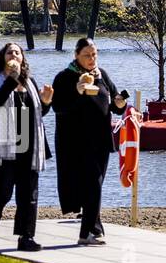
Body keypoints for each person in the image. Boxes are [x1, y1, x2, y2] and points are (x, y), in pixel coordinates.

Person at [50, 38, 133, 245]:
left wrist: (120, 103)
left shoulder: (101, 75)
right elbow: (58, 106)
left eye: (94, 54)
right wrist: (78, 90)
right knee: (92, 185)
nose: (91, 59)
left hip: (101, 140)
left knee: (95, 185)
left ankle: (95, 229)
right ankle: (86, 233)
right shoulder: (65, 77)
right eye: (87, 55)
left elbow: (114, 103)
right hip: (76, 142)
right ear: (76, 56)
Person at [0, 42, 54, 252]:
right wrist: (12, 79)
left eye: (18, 52)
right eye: (10, 52)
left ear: (22, 58)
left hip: (29, 146)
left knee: (28, 194)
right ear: (2, 57)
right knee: (3, 192)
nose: (14, 55)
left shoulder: (30, 81)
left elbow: (38, 114)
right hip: (2, 146)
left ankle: (26, 237)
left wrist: (46, 102)